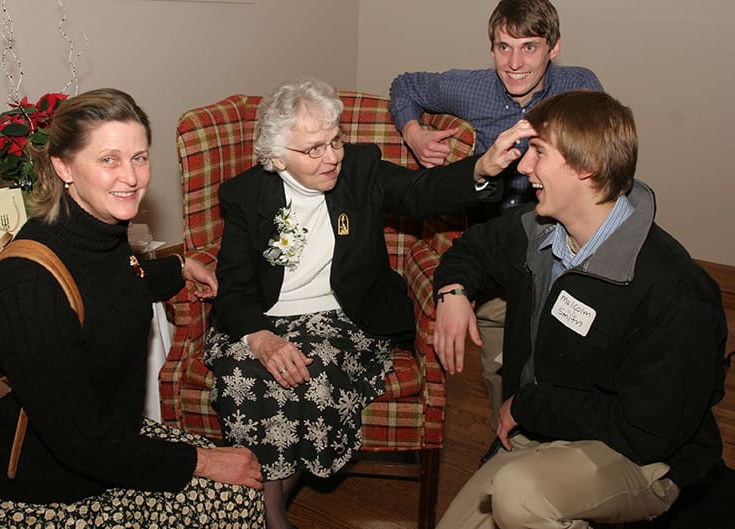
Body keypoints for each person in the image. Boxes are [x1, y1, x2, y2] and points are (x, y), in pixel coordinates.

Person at [0, 88, 265, 528]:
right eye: (109, 160)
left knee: (242, 485)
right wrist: (202, 461)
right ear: (63, 166)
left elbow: (111, 282)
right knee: (235, 500)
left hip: (101, 440)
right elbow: (79, 443)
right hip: (33, 484)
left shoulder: (100, 230)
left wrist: (178, 267)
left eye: (139, 158)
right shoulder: (29, 285)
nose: (132, 177)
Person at [203, 77, 502, 529]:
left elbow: (421, 193)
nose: (332, 157)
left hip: (344, 317)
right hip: (262, 321)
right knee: (245, 378)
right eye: (314, 149)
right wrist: (261, 339)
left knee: (310, 378)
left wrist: (481, 170)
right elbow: (235, 285)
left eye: (335, 140)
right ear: (276, 156)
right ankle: (272, 517)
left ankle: (264, 517)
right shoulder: (246, 195)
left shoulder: (361, 168)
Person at [432, 90, 727, 528]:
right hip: (541, 431)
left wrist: (530, 405)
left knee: (520, 496)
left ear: (586, 167)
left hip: (640, 455)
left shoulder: (675, 291)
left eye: (538, 153)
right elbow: (473, 249)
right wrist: (452, 293)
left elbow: (648, 432)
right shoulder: (537, 231)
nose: (524, 166)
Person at [389, 0, 604, 429]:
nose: (515, 63)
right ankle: (505, 438)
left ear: (554, 48)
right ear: (491, 49)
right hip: (493, 247)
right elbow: (405, 86)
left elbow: (602, 158)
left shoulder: (579, 87)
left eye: (529, 47)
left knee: (569, 364)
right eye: (504, 48)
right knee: (499, 370)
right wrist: (414, 132)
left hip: (561, 247)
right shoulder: (471, 88)